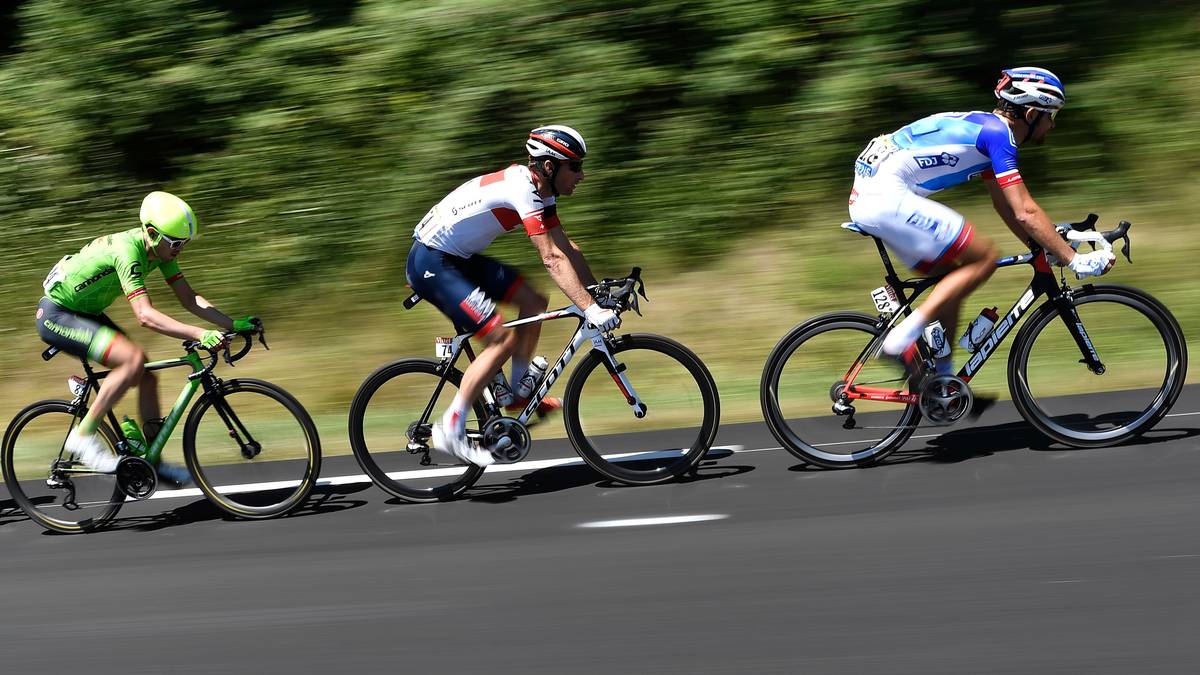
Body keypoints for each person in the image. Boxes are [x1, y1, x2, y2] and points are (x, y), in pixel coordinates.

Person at [847, 66, 1114, 378]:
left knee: (953, 278)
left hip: (871, 197)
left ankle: (941, 382)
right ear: (1030, 114)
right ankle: (900, 340)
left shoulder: (984, 127)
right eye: (1051, 115)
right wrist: (1074, 261)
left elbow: (1005, 204)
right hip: (885, 197)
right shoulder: (999, 136)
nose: (1052, 126)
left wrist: (1043, 244)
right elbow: (1024, 211)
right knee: (984, 257)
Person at [406, 125, 620, 466]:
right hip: (432, 261)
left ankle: (519, 392)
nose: (582, 175)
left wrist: (596, 292)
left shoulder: (540, 189)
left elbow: (566, 247)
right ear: (550, 167)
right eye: (575, 166)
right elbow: (551, 258)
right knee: (501, 339)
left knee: (534, 301)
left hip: (457, 258)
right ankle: (450, 426)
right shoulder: (523, 190)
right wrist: (590, 309)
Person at [36, 191, 258, 483]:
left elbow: (189, 298)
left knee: (147, 375)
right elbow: (145, 316)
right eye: (176, 243)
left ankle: (150, 461)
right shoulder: (129, 251)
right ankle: (82, 436)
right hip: (57, 315)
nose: (180, 249)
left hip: (84, 312)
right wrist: (200, 333)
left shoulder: (159, 251)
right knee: (133, 360)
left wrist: (233, 323)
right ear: (152, 233)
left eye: (185, 243)